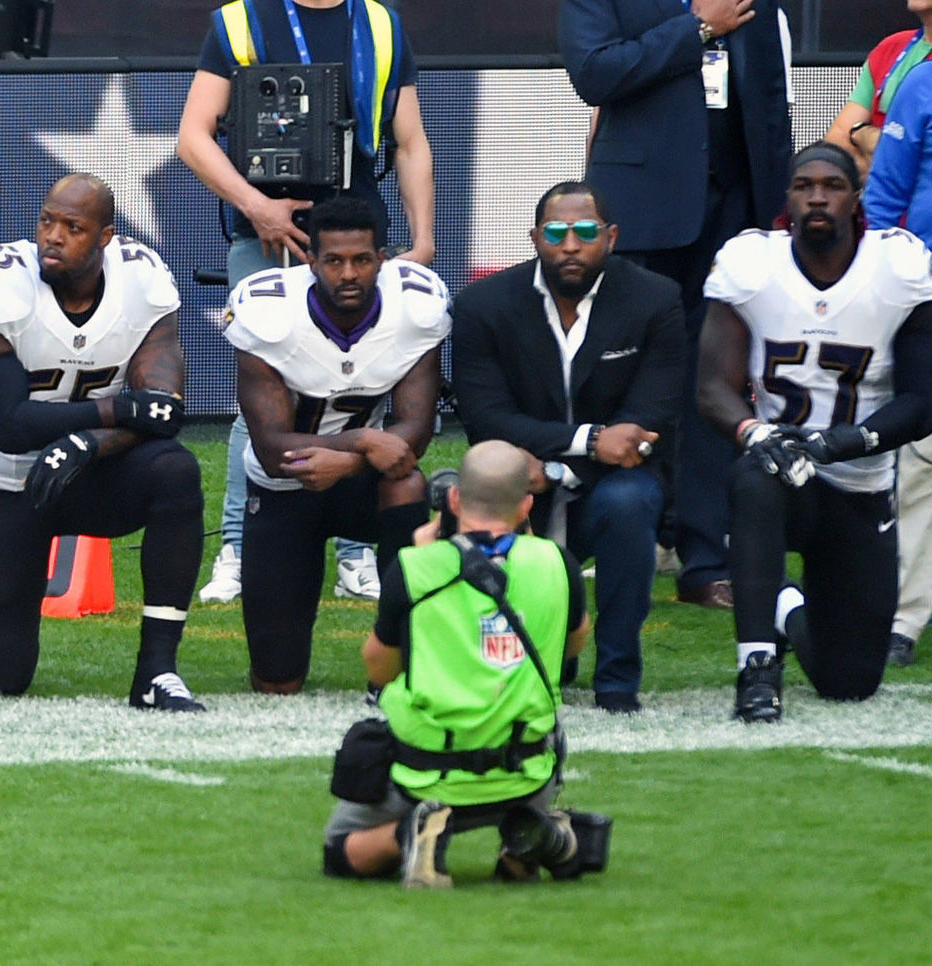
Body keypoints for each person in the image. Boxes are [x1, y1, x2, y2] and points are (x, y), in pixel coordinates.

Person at [177, 0, 436, 604]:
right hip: (270, 235)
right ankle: (240, 546)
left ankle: (356, 554)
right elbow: (193, 134)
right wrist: (254, 204)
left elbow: (410, 139)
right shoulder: (240, 20)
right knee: (264, 401)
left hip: (359, 239)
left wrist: (423, 239)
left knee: (366, 390)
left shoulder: (380, 21)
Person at [559, 0, 793, 611]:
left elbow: (768, 97)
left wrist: (773, 206)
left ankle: (705, 558)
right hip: (642, 209)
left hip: (736, 209)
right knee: (615, 376)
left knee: (717, 382)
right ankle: (586, 537)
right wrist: (697, 28)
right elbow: (594, 74)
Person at [0, 173, 205, 710]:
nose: (53, 237)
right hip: (2, 475)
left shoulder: (143, 280)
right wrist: (112, 410)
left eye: (73, 227)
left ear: (106, 237)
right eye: (47, 221)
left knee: (175, 471)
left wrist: (88, 442)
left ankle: (157, 672)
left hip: (95, 470)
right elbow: (11, 426)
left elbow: (163, 410)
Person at [697, 141, 932, 722]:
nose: (818, 196)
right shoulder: (752, 265)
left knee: (848, 683)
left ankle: (784, 604)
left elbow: (923, 400)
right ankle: (756, 669)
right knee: (756, 475)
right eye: (804, 186)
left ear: (855, 197)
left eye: (832, 185)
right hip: (784, 470)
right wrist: (755, 432)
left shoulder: (898, 270)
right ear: (789, 199)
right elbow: (711, 387)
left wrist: (847, 441)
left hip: (860, 482)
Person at [452, 181, 686, 713]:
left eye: (586, 232)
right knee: (470, 497)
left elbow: (651, 416)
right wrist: (592, 441)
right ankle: (510, 660)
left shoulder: (656, 299)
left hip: (615, 482)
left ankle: (618, 679)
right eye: (556, 233)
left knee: (629, 502)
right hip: (523, 480)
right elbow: (487, 418)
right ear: (535, 238)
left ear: (611, 236)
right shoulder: (483, 305)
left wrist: (575, 456)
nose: (571, 245)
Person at [322, 441, 596, 888]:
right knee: (531, 765)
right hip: (526, 772)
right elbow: (574, 642)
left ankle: (415, 832)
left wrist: (424, 545)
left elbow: (378, 667)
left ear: (452, 500)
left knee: (341, 847)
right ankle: (526, 840)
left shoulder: (415, 567)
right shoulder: (557, 564)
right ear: (527, 504)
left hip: (429, 771)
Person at [224, 197, 446, 693]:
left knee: (407, 481)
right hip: (282, 491)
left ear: (383, 259)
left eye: (362, 260)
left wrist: (347, 463)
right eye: (334, 261)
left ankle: (403, 662)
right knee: (276, 678)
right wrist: (365, 438)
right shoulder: (268, 310)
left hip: (361, 485)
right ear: (311, 262)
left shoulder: (416, 307)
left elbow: (415, 432)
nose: (349, 274)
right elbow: (272, 449)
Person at [859, 47, 932, 668]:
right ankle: (905, 616)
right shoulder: (924, 81)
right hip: (927, 289)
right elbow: (885, 193)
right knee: (923, 458)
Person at [825, 0, 932, 181]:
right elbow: (836, 138)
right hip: (878, 204)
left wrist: (862, 135)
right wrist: (863, 133)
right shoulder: (890, 48)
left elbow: (917, 157)